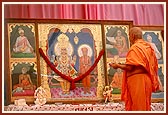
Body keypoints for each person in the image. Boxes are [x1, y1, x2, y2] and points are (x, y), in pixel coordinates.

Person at [109, 27, 160, 111]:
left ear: (132, 36)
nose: (129, 38)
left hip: (137, 80)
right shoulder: (148, 47)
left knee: (138, 106)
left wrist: (117, 65)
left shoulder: (135, 48)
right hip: (146, 79)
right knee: (145, 105)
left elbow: (130, 67)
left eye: (129, 36)